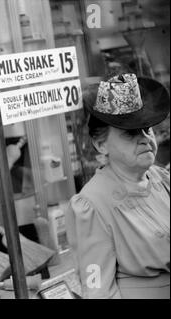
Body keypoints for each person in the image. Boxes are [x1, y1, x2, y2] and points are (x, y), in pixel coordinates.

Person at [66, 73, 170, 299]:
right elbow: (99, 291)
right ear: (101, 145)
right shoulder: (92, 204)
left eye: (148, 129)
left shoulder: (162, 179)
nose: (145, 138)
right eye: (130, 133)